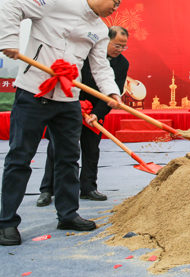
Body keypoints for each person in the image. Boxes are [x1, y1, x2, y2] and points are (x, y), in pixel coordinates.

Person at [0, 0, 125, 246]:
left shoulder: (100, 30)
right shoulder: (55, 3)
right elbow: (13, 6)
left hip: (68, 99)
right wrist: (9, 40)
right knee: (20, 157)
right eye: (115, 3)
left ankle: (67, 214)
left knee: (68, 159)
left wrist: (112, 92)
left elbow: (100, 67)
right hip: (33, 93)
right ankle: (6, 222)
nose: (116, 9)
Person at [37, 26, 130, 207]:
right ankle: (47, 189)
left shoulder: (122, 64)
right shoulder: (84, 54)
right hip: (70, 105)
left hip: (95, 110)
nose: (120, 50)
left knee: (91, 149)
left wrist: (96, 114)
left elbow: (113, 92)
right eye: (117, 45)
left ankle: (88, 188)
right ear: (105, 41)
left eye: (123, 46)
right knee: (56, 148)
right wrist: (73, 104)